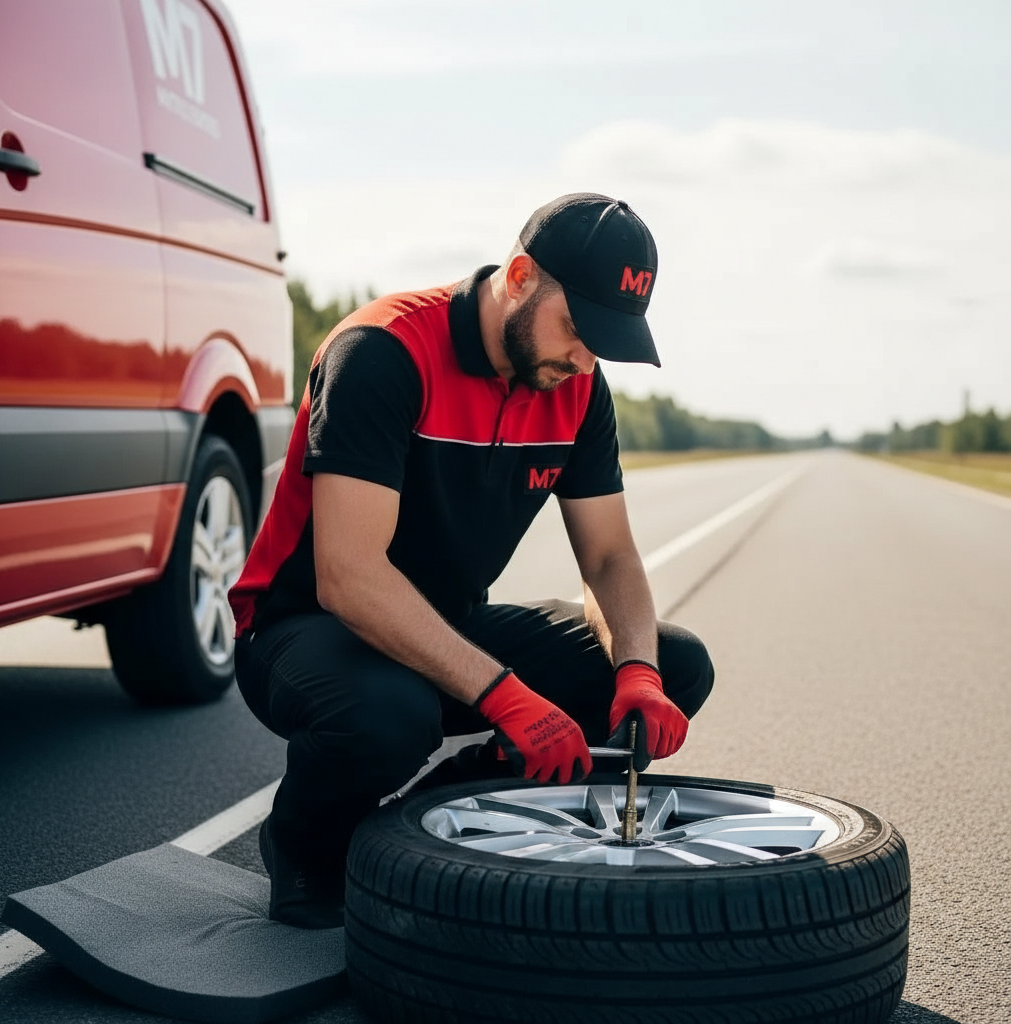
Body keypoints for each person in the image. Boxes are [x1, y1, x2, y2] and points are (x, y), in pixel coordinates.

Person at [228, 193, 714, 928]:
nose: (586, 358)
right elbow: (348, 577)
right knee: (392, 716)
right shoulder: (383, 353)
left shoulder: (577, 386)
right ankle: (302, 844)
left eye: (607, 342)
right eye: (580, 328)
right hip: (304, 630)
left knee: (675, 663)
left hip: (451, 626)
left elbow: (610, 557)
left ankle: (439, 806)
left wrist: (638, 672)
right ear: (520, 276)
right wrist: (506, 697)